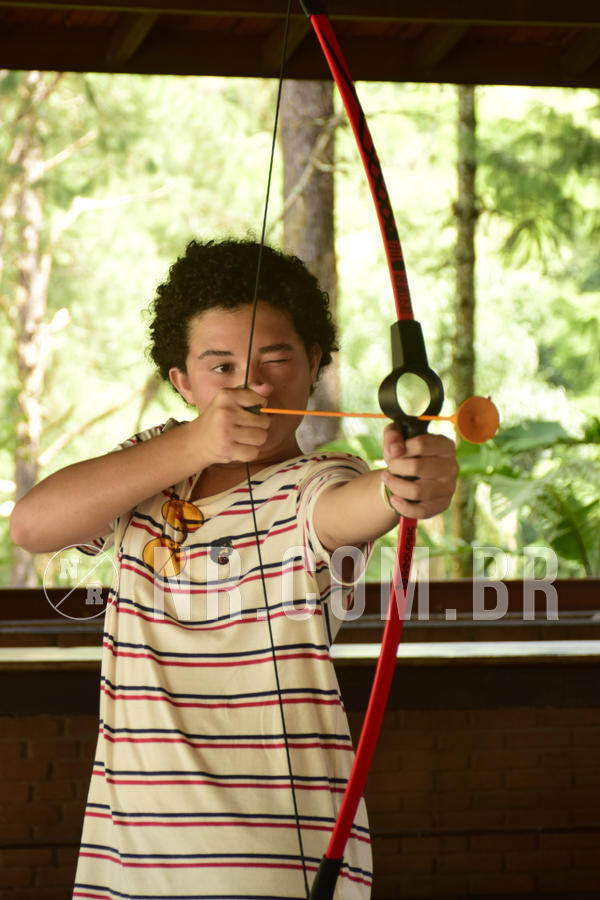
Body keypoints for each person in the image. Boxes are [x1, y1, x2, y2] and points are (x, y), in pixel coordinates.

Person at [10, 238, 458, 899]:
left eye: (276, 359)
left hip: (268, 856)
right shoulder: (152, 466)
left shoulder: (315, 481)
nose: (254, 386)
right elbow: (32, 526)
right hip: (128, 854)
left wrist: (405, 484)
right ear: (182, 382)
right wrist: (194, 443)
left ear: (315, 363)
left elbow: (353, 506)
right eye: (221, 366)